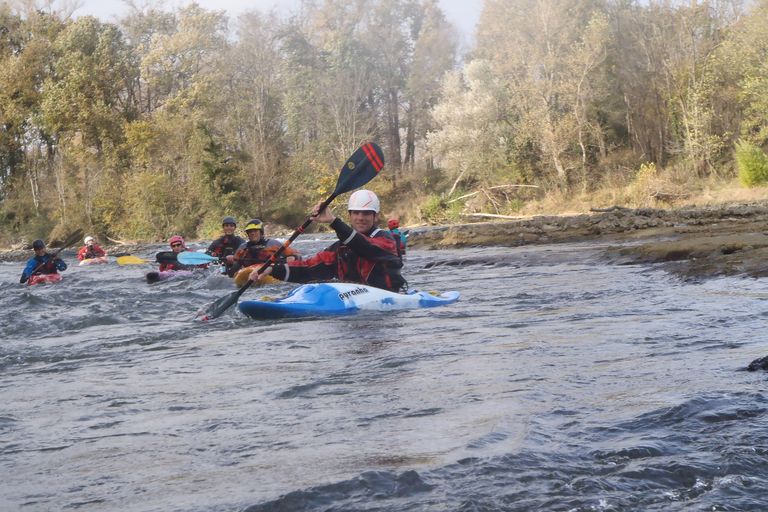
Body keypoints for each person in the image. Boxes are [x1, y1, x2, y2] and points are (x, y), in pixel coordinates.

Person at [250, 190, 405, 292]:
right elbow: (308, 268)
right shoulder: (339, 249)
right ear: (350, 216)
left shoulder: (386, 240)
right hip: (354, 305)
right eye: (356, 213)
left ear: (375, 217)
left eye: (366, 214)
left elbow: (364, 246)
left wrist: (333, 221)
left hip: (388, 304)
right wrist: (272, 269)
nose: (360, 218)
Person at [230, 219, 300, 277]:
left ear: (261, 232)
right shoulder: (242, 248)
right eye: (250, 232)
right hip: (250, 273)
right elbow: (234, 262)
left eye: (255, 231)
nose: (252, 233)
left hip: (270, 272)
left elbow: (297, 254)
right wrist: (231, 260)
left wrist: (293, 257)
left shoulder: (274, 244)